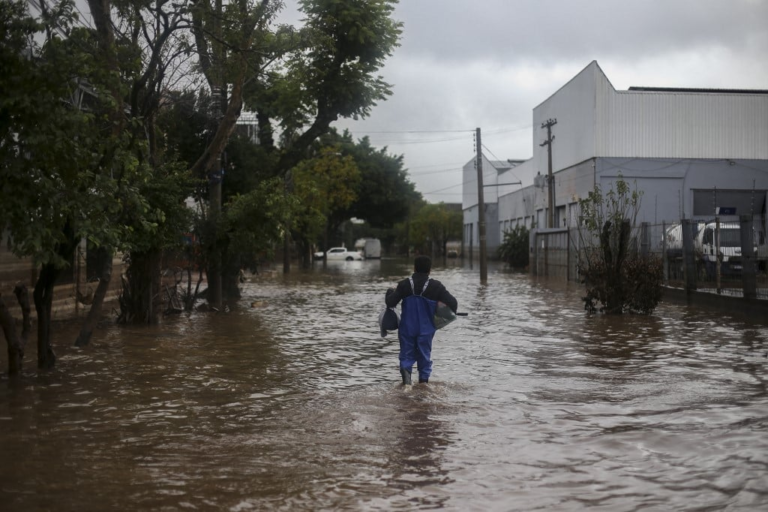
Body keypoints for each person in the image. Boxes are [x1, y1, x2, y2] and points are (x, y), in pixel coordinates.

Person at [385, 255, 458, 385]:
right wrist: (438, 310)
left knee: (406, 356)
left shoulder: (404, 285)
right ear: (429, 270)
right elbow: (453, 304)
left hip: (407, 328)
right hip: (426, 329)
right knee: (424, 357)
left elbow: (390, 303)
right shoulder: (436, 286)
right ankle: (423, 387)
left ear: (414, 268)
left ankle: (407, 383)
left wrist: (389, 292)